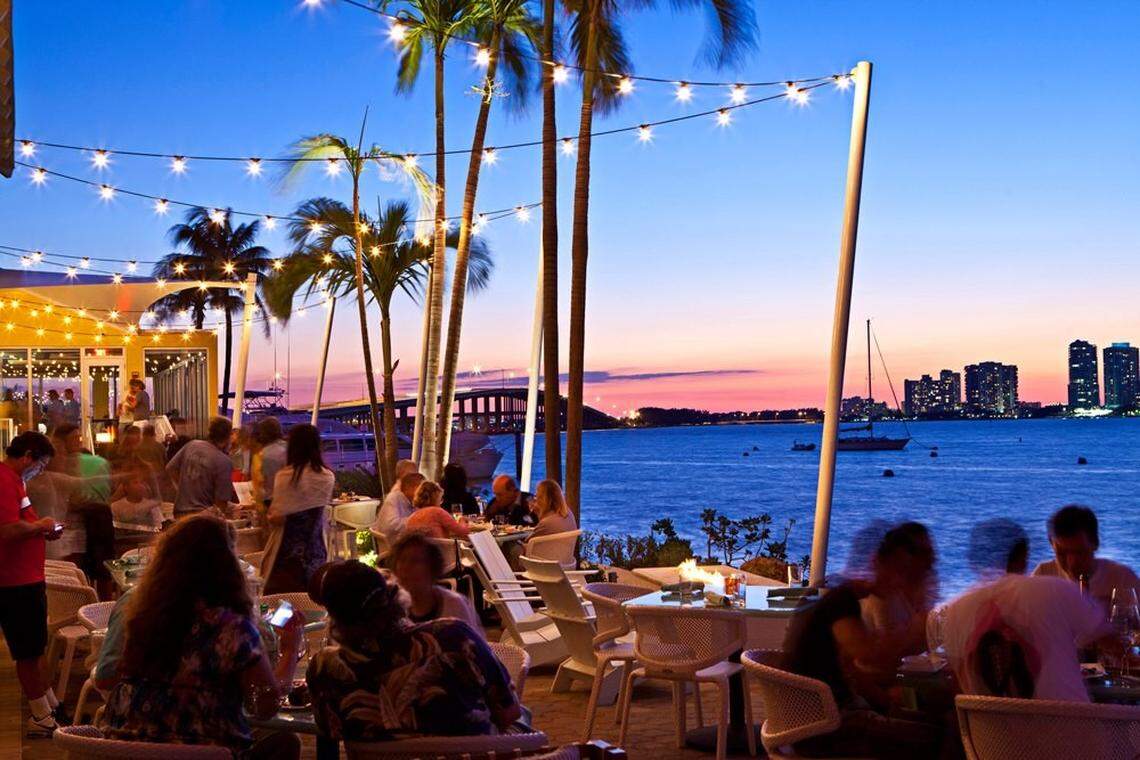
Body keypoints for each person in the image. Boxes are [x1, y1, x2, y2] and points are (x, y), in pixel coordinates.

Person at [98, 514, 304, 758]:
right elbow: (264, 706)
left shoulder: (141, 618)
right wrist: (290, 649)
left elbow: (114, 678)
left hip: (130, 752)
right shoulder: (232, 629)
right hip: (203, 753)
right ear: (227, 566)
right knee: (286, 742)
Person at [306, 560, 520, 741]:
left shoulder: (323, 669)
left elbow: (330, 730)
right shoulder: (451, 637)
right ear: (393, 596)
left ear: (335, 620)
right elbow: (509, 712)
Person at [780, 523, 944, 758]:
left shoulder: (834, 593)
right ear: (878, 562)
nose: (906, 580)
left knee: (930, 712)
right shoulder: (840, 599)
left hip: (811, 721)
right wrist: (922, 626)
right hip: (824, 729)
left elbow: (853, 672)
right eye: (904, 570)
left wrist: (891, 702)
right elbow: (869, 657)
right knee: (937, 733)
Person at [941, 519, 1113, 701]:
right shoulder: (1056, 589)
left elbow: (958, 689)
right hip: (1067, 719)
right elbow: (1112, 642)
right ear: (1023, 558)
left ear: (972, 560)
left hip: (986, 720)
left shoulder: (952, 614)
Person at [0, 431, 65, 736]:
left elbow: (21, 525)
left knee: (36, 646)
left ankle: (50, 705)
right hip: (15, 581)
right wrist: (40, 525)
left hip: (26, 577)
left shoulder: (15, 482)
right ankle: (40, 716)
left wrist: (41, 530)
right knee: (27, 650)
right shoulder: (4, 482)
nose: (40, 472)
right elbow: (7, 530)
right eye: (40, 465)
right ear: (28, 456)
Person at [260, 424, 335, 594]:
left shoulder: (284, 477)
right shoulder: (327, 477)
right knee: (313, 598)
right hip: (316, 550)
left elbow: (277, 517)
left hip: (286, 555)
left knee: (283, 602)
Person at [1032, 504, 1140, 612]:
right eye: (1062, 553)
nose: (1072, 562)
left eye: (1079, 552)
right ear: (1051, 544)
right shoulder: (1043, 575)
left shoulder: (1123, 578)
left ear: (1095, 543)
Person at [860, 521, 936, 656]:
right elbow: (886, 652)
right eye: (923, 553)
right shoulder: (879, 600)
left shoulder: (902, 596)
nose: (932, 560)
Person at [392, 531, 483, 634]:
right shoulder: (397, 607)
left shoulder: (455, 607)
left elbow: (473, 642)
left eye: (415, 561)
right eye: (402, 560)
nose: (405, 567)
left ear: (432, 568)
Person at [166, 416, 236, 517]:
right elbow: (221, 503)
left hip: (180, 513)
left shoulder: (191, 445)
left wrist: (183, 490)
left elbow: (170, 469)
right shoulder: (224, 462)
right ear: (228, 437)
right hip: (203, 518)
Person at [404, 481, 471, 540]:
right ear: (435, 497)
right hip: (439, 549)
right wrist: (462, 519)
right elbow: (463, 532)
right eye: (440, 499)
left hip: (420, 550)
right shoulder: (437, 512)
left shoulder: (412, 517)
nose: (441, 502)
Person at [372, 471, 424, 545]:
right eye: (422, 488)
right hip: (395, 546)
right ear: (409, 488)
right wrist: (416, 521)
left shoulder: (414, 502)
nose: (424, 492)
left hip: (406, 543)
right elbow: (391, 526)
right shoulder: (393, 499)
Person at [251, 416, 287, 507]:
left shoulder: (263, 455)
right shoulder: (289, 448)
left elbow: (264, 485)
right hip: (290, 501)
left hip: (272, 503)